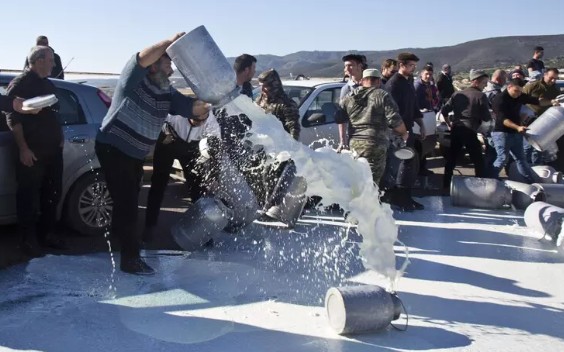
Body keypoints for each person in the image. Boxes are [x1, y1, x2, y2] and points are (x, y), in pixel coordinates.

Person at [95, 33, 210, 275]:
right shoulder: (134, 77)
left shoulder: (166, 91)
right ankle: (130, 259)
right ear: (155, 64)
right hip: (113, 146)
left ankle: (119, 239)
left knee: (127, 198)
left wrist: (205, 108)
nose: (171, 69)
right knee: (127, 204)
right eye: (168, 63)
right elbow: (141, 58)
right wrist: (169, 42)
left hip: (133, 153)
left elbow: (190, 107)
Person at [5, 46, 65, 257]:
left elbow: (54, 114)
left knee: (52, 194)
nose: (54, 64)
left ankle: (47, 235)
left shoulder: (48, 83)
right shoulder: (21, 84)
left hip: (52, 151)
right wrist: (23, 149)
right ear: (39, 60)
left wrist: (61, 137)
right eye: (50, 60)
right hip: (32, 152)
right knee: (28, 198)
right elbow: (12, 117)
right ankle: (27, 241)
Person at [144, 109, 220, 242]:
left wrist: (215, 177)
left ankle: (203, 230)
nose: (197, 123)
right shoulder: (176, 113)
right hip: (169, 141)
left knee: (197, 188)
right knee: (158, 184)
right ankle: (149, 226)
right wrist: (166, 130)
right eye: (195, 120)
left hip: (192, 147)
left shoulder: (211, 123)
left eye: (201, 121)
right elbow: (158, 118)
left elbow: (216, 150)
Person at [336, 68, 407, 184]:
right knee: (371, 184)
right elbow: (395, 121)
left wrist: (343, 140)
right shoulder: (382, 95)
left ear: (362, 81)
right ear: (379, 81)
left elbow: (339, 118)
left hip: (354, 144)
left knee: (356, 181)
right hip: (375, 145)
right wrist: (404, 133)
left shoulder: (349, 97)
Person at [490, 79, 559, 182]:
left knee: (521, 159)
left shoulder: (519, 96)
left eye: (520, 92)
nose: (518, 94)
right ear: (509, 87)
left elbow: (537, 101)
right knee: (502, 158)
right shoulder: (500, 99)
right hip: (502, 133)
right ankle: (490, 179)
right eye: (516, 91)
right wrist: (517, 127)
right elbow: (502, 119)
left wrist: (551, 102)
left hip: (516, 133)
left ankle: (530, 181)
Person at [384, 52, 426, 211]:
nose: (413, 68)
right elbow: (390, 112)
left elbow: (414, 107)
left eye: (415, 66)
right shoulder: (393, 84)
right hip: (397, 132)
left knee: (411, 164)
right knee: (402, 165)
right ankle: (400, 198)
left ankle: (406, 196)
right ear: (401, 65)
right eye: (411, 65)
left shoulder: (408, 82)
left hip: (408, 129)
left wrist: (421, 124)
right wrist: (400, 131)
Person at [441, 70, 492, 189]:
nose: (485, 85)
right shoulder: (481, 96)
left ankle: (446, 184)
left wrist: (449, 123)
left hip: (456, 128)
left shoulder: (457, 94)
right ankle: (480, 186)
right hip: (470, 130)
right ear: (476, 82)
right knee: (478, 160)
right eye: (484, 83)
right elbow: (486, 117)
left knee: (452, 158)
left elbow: (444, 111)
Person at [522, 68, 561, 165]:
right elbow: (519, 99)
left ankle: (536, 168)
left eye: (555, 79)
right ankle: (525, 167)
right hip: (528, 120)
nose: (553, 81)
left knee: (539, 148)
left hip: (545, 122)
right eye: (551, 78)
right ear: (545, 75)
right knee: (527, 147)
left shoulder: (555, 89)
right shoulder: (533, 86)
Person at [255, 68, 300, 140]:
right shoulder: (259, 100)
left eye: (265, 86)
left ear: (274, 85)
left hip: (280, 145)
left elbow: (293, 129)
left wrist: (292, 147)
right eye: (261, 86)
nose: (262, 89)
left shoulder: (286, 104)